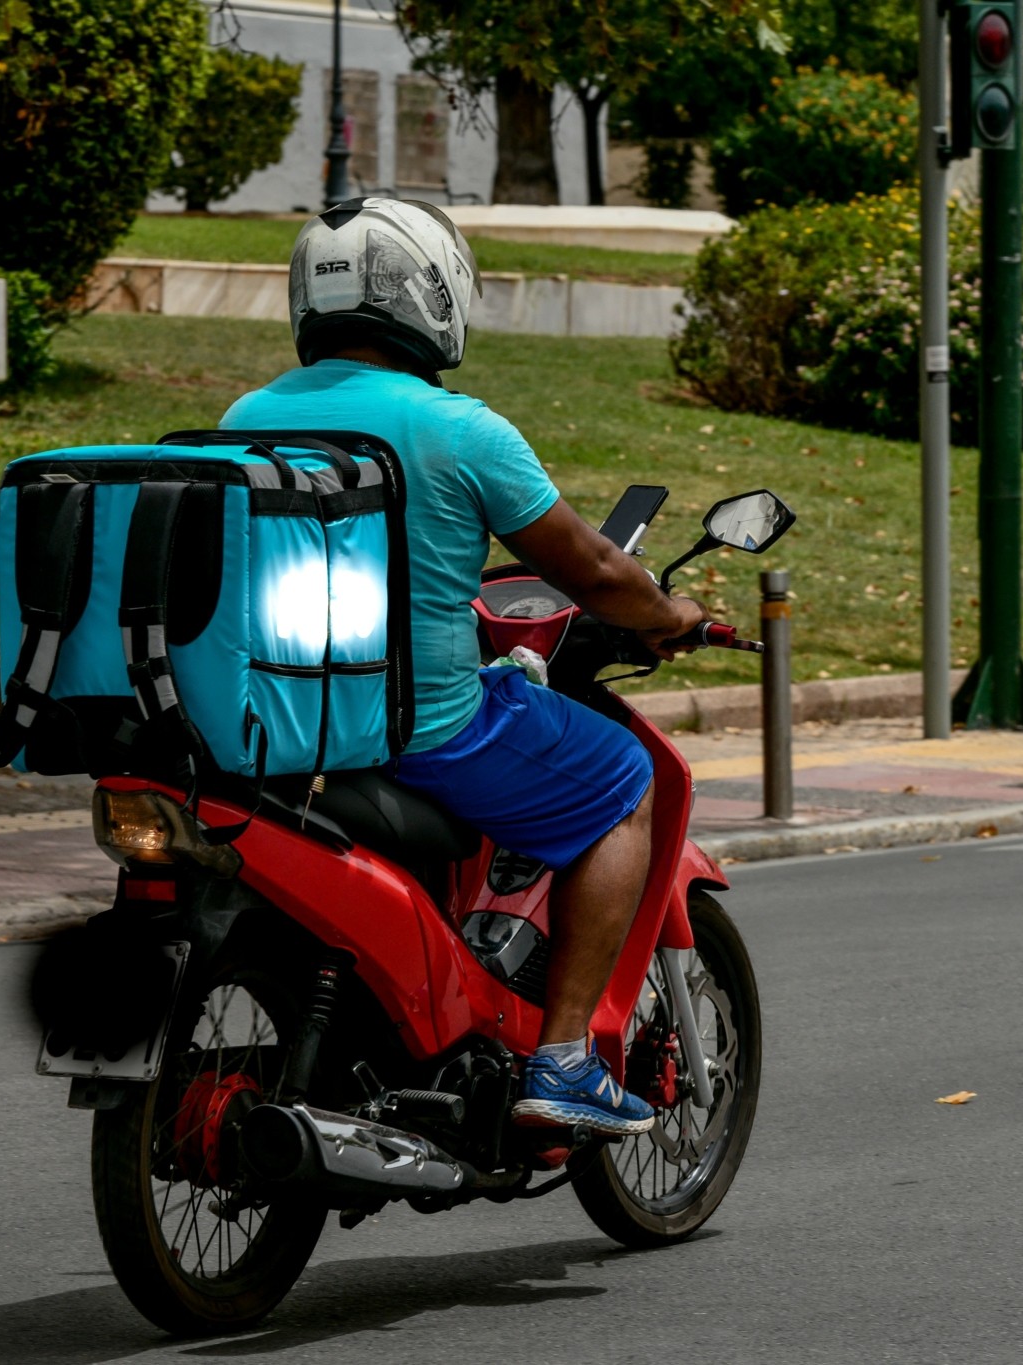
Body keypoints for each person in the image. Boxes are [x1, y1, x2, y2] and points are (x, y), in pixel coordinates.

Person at [220, 199, 706, 1136]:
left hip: (286, 716)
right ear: (427, 294)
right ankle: (564, 1058)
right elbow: (598, 570)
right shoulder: (461, 428)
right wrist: (670, 613)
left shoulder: (248, 414)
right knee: (625, 778)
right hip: (425, 726)